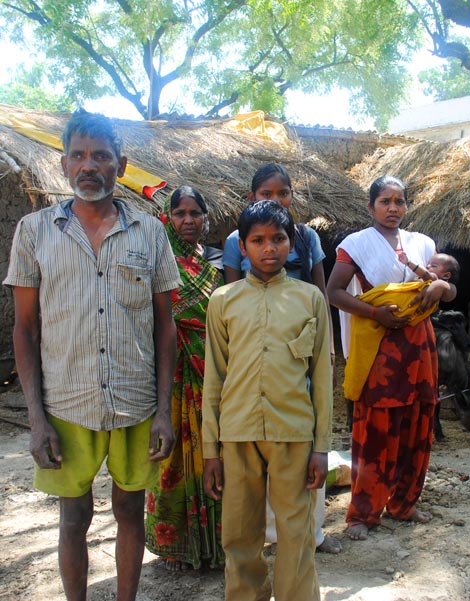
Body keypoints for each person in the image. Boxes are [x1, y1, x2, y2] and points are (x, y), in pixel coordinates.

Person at [3, 109, 181, 601]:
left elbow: (165, 327)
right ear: (62, 164)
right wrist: (36, 419)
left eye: (101, 156)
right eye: (78, 155)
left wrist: (163, 411)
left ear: (120, 166)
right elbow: (25, 329)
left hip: (136, 401)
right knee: (73, 515)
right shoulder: (34, 231)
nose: (89, 166)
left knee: (129, 510)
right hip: (66, 403)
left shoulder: (149, 232)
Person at [202, 200, 332, 601]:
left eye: (277, 239)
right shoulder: (222, 301)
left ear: (291, 243)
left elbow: (322, 378)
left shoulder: (311, 299)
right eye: (257, 240)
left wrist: (322, 448)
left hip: (293, 432)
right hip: (237, 433)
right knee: (239, 532)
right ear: (242, 247)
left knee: (296, 530)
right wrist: (211, 450)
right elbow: (215, 378)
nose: (268, 248)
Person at [326, 174, 457, 542]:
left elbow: (450, 290)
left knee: (418, 423)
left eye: (399, 201)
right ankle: (362, 514)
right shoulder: (356, 244)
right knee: (374, 430)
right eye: (385, 201)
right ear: (371, 207)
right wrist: (374, 314)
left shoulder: (423, 243)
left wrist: (441, 286)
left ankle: (403, 503)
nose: (393, 208)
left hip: (420, 347)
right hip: (379, 346)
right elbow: (333, 291)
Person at [222, 162, 341, 555]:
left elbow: (321, 291)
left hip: (301, 341)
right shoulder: (236, 241)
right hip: (258, 353)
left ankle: (311, 534)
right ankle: (272, 536)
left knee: (304, 447)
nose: (276, 200)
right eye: (266, 194)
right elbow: (235, 302)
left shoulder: (306, 238)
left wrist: (323, 345)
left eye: (283, 193)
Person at [145, 185, 225, 571]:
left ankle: (214, 546)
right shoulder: (158, 262)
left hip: (211, 372)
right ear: (168, 217)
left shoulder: (215, 263)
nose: (188, 220)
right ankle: (176, 547)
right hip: (171, 376)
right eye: (180, 213)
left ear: (207, 217)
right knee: (174, 458)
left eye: (196, 213)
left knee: (214, 455)